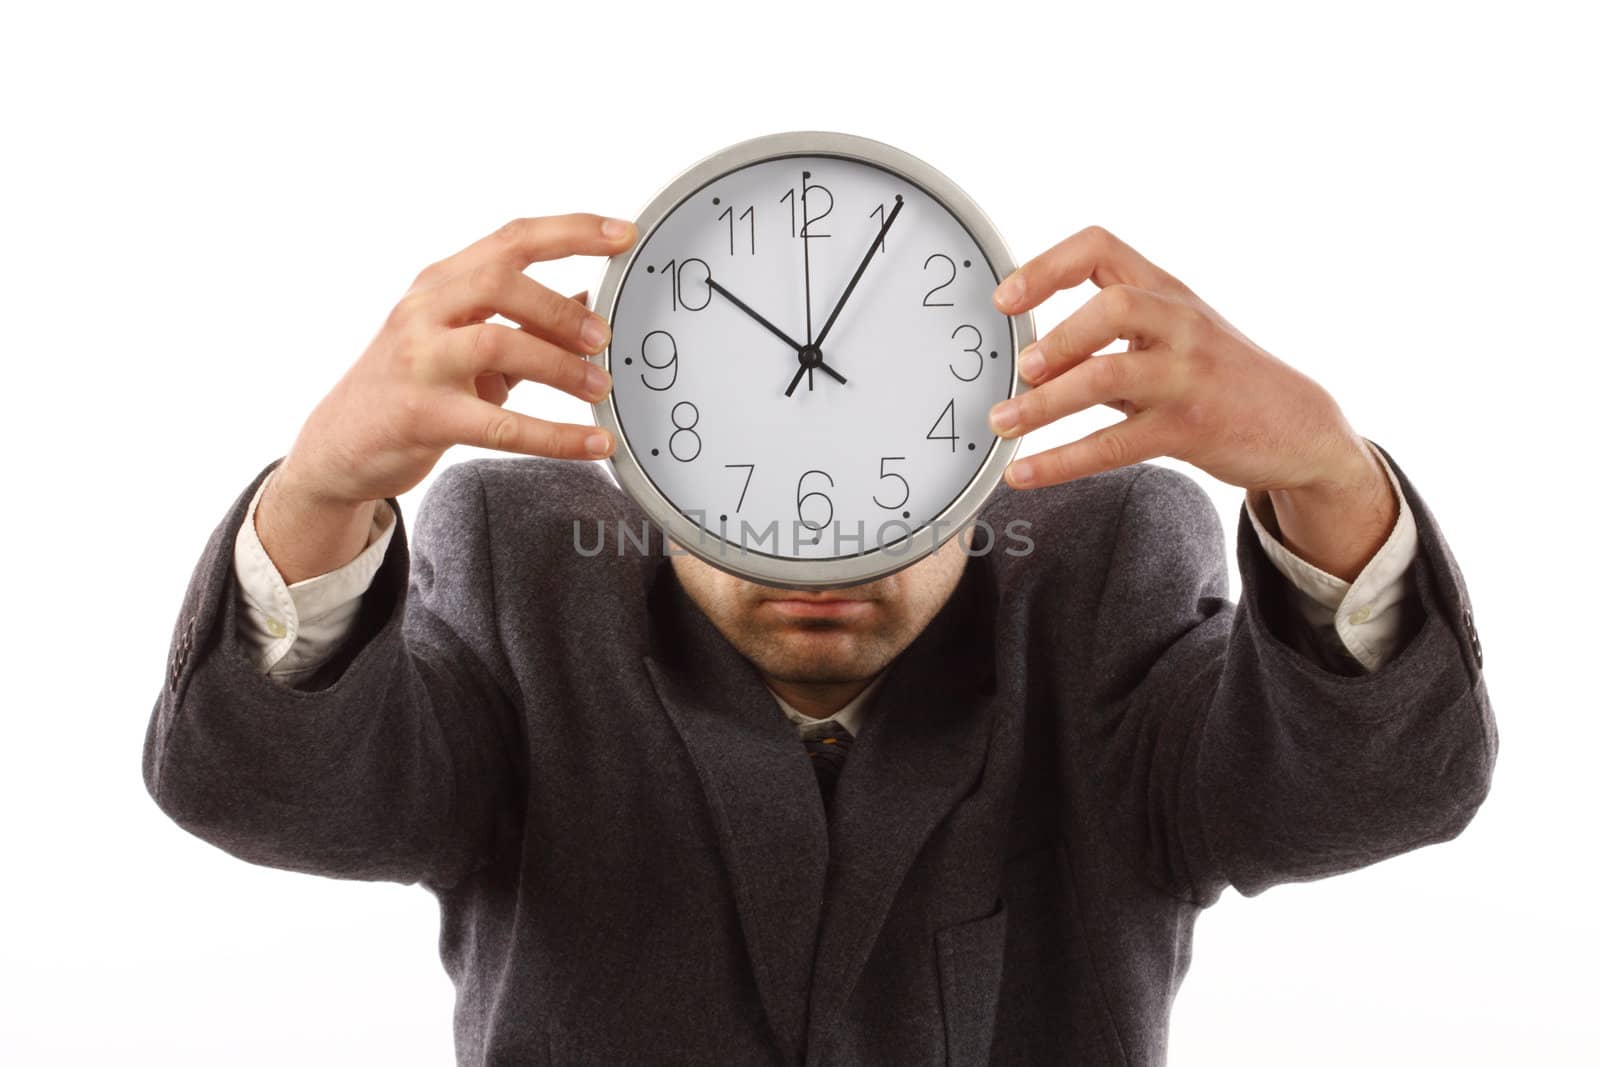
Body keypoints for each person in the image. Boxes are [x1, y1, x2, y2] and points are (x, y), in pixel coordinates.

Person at [143, 213, 1496, 1066]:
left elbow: (1378, 783)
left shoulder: (1104, 576)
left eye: (890, 487)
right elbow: (268, 786)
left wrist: (1329, 484)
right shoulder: (525, 569)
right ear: (651, 477)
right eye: (753, 488)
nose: (822, 554)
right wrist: (319, 499)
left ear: (993, 469)